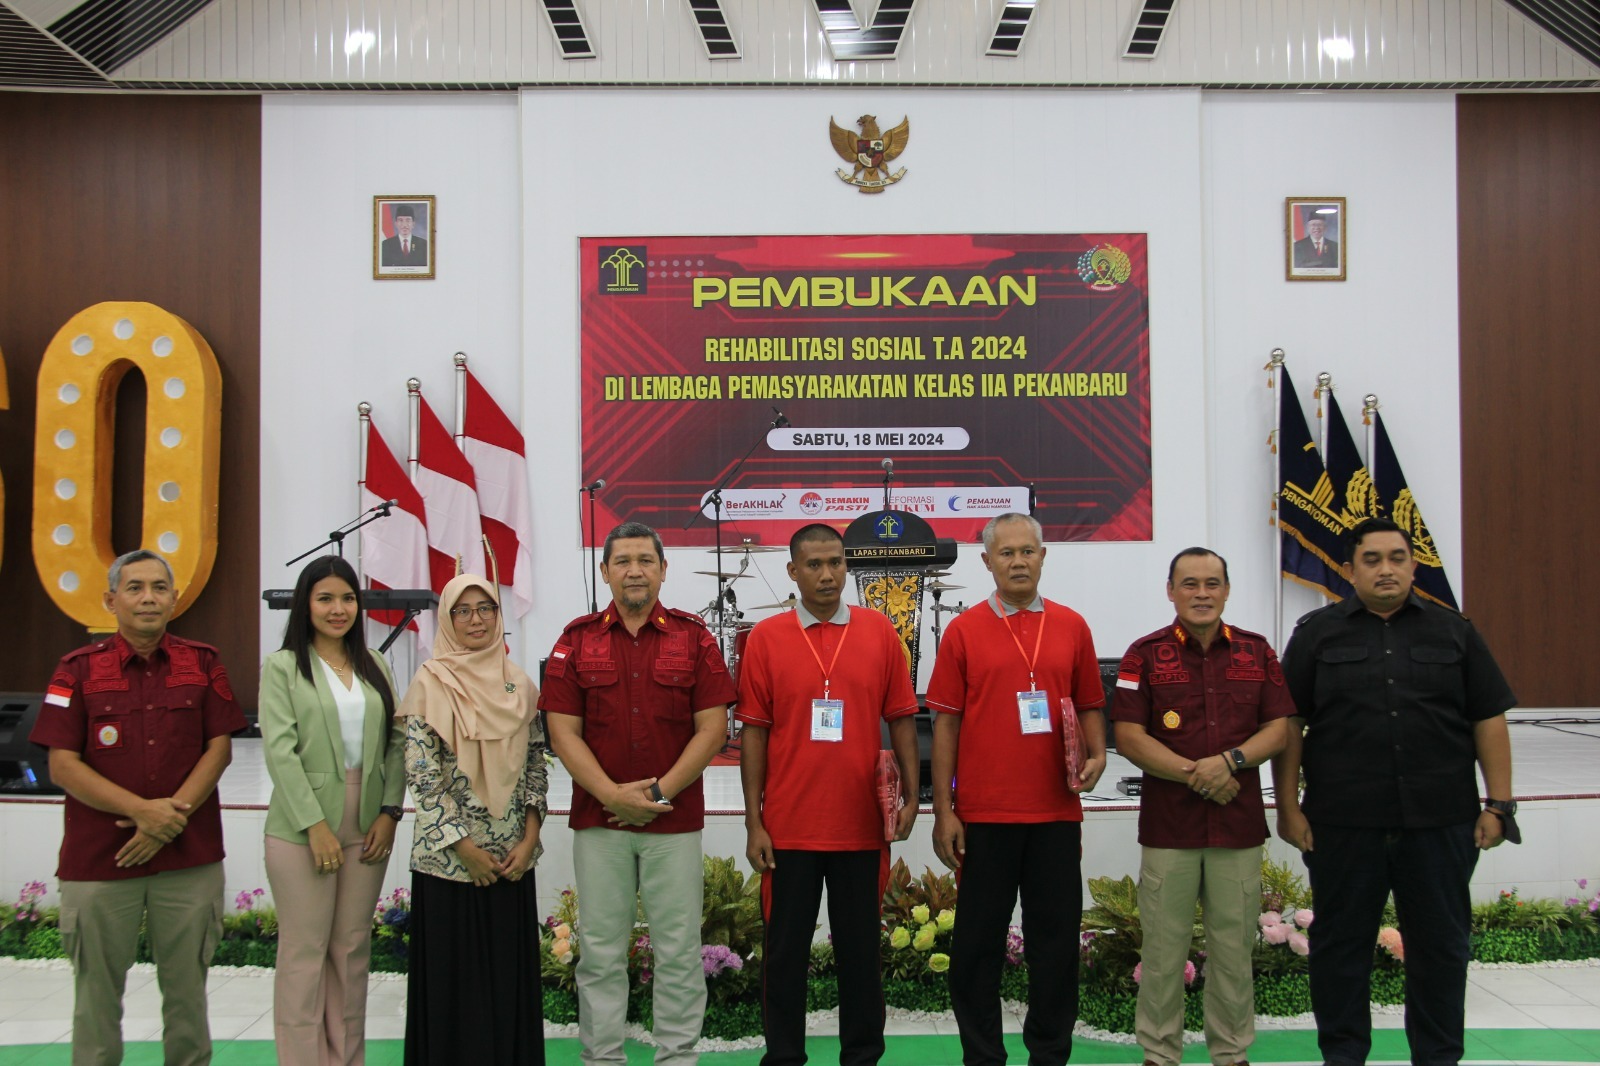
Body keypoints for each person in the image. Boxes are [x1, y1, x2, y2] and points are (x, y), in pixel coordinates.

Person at [1273, 517, 1517, 1066]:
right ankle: (1343, 1056)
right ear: (1348, 569)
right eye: (1372, 559)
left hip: (1440, 822)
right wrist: (1287, 807)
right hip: (1343, 824)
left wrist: (1498, 804)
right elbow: (1289, 725)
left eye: (1397, 557)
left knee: (1440, 950)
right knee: (1340, 950)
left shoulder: (1455, 632)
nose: (1386, 569)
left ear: (1413, 563)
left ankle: (1437, 1057)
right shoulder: (1316, 634)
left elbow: (1488, 719)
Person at [29, 549, 246, 1066]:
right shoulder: (75, 670)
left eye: (158, 587)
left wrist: (170, 818)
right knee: (97, 1003)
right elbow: (62, 765)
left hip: (188, 859)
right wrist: (143, 812)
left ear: (174, 598)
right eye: (134, 587)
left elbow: (220, 747)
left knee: (188, 998)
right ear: (111, 599)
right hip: (101, 861)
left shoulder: (203, 663)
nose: (148, 597)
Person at [540, 521, 737, 1066]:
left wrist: (653, 793)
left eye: (645, 560)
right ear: (605, 571)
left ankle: (677, 1057)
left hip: (672, 825)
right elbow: (562, 732)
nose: (634, 570)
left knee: (676, 953)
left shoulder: (693, 637)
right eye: (622, 560)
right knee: (601, 954)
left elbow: (713, 729)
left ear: (663, 569)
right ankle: (602, 1058)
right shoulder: (575, 639)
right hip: (599, 823)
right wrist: (612, 795)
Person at [926, 512, 1108, 1066]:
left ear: (1044, 555)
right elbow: (946, 724)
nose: (1018, 561)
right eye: (1006, 553)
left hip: (1055, 814)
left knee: (1055, 951)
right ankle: (983, 1056)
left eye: (1028, 551)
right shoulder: (964, 630)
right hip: (985, 816)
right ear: (987, 562)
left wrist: (1098, 753)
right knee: (975, 951)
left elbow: (1091, 704)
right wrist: (945, 810)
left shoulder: (1073, 626)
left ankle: (1049, 1054)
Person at [736, 523, 921, 1066]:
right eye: (814, 564)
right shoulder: (767, 638)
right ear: (792, 572)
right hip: (789, 829)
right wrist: (754, 821)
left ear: (847, 567)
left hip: (862, 827)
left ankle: (862, 1057)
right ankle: (784, 1057)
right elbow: (753, 733)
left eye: (836, 562)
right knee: (786, 956)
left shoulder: (880, 632)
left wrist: (911, 795)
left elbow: (903, 718)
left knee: (861, 957)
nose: (827, 574)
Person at [1109, 547, 1294, 1066]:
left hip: (1238, 829)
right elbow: (1127, 735)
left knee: (1234, 953)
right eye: (1189, 584)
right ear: (1170, 591)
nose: (1202, 593)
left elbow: (1280, 728)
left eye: (1212, 583)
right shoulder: (1141, 655)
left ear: (1227, 590)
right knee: (1163, 954)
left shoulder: (1258, 653)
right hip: (1171, 830)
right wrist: (1201, 774)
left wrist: (1230, 761)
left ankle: (1231, 1054)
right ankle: (1159, 1054)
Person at [260, 554, 406, 1065]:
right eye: (325, 598)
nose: (338, 608)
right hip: (302, 825)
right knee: (305, 953)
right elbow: (279, 751)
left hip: (368, 823)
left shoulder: (376, 665)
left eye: (347, 598)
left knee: (350, 951)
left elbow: (396, 742)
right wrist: (315, 826)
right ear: (306, 604)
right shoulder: (282, 667)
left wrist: (391, 811)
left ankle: (346, 1058)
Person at [401, 574, 547, 1065]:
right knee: (453, 988)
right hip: (449, 866)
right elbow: (423, 777)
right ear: (447, 619)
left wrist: (529, 839)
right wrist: (464, 848)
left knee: (507, 985)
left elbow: (534, 767)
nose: (476, 619)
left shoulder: (520, 685)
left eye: (485, 608)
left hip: (510, 862)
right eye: (462, 611)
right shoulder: (429, 682)